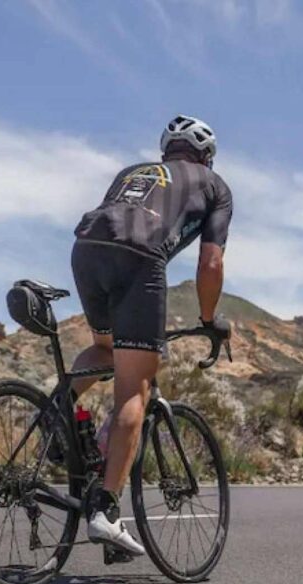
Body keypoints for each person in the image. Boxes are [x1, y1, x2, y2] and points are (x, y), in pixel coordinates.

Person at [65, 115, 232, 559]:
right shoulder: (214, 186)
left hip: (86, 250)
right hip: (139, 261)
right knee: (134, 389)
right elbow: (210, 264)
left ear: (167, 151)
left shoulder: (133, 173)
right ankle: (105, 511)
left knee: (105, 347)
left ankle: (54, 419)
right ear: (206, 156)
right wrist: (209, 318)